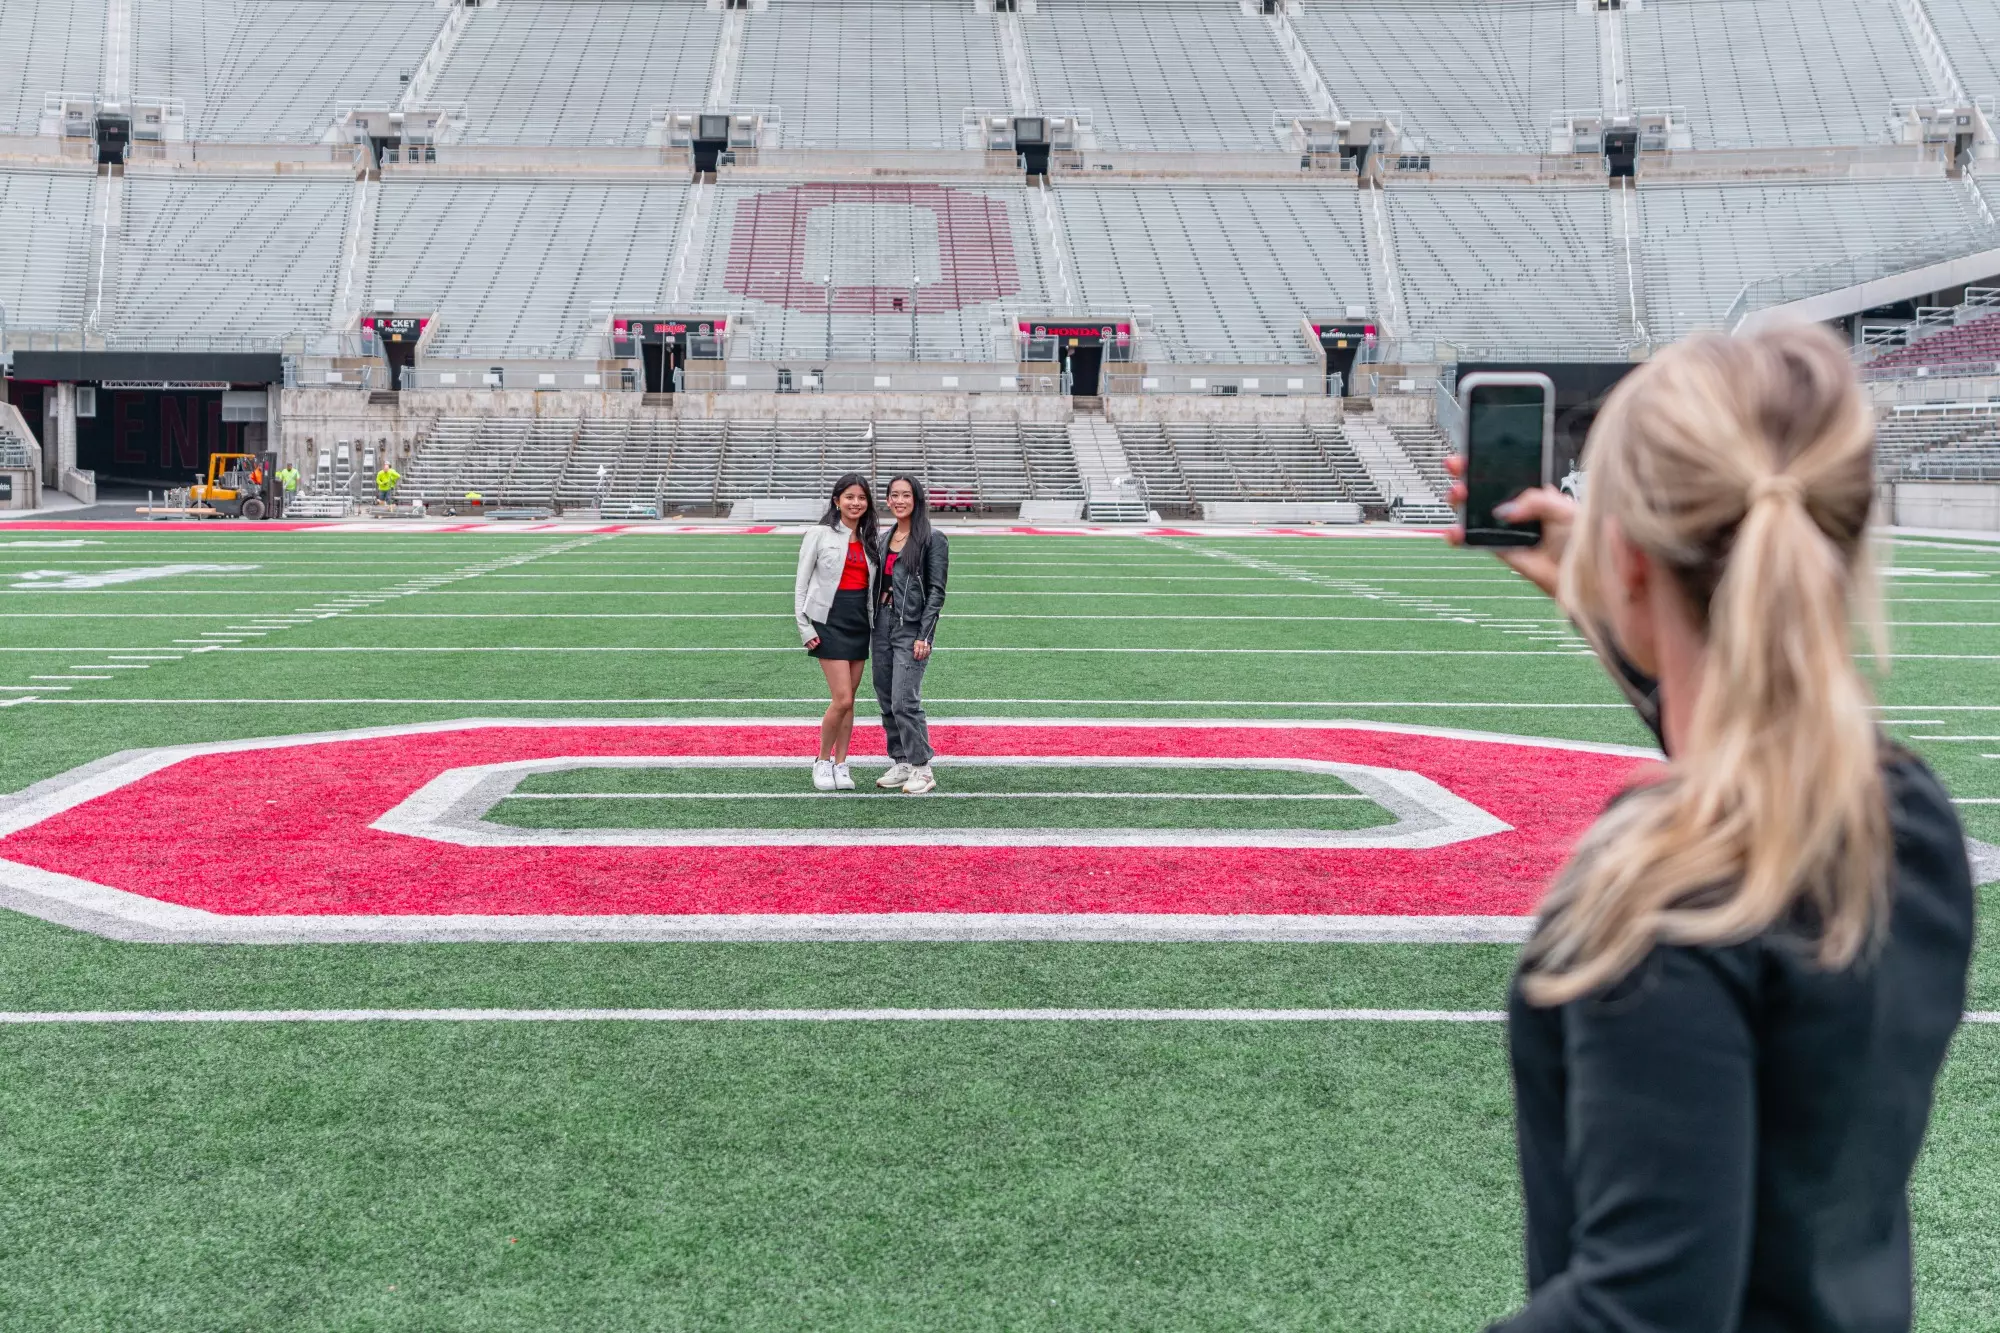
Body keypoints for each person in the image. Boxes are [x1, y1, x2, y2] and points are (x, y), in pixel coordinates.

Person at [1450, 324, 1974, 1332]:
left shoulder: (1667, 895)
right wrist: (1620, 611)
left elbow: (1642, 1307)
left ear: (1633, 559)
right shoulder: (1905, 816)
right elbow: (1761, 757)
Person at [795, 472, 880, 791]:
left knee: (851, 699)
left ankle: (842, 763)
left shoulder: (870, 537)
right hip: (827, 620)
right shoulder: (818, 533)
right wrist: (804, 627)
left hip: (859, 621)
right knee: (841, 698)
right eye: (849, 497)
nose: (855, 503)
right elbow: (801, 583)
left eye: (861, 498)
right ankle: (821, 760)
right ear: (837, 501)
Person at [872, 475, 949, 794]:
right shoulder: (885, 536)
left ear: (917, 499)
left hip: (910, 627)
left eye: (906, 495)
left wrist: (925, 635)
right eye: (894, 495)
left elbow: (936, 591)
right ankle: (901, 760)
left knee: (905, 699)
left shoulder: (932, 537)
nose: (899, 500)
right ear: (887, 500)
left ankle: (922, 767)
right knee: (887, 697)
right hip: (880, 624)